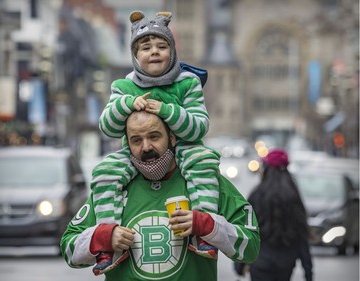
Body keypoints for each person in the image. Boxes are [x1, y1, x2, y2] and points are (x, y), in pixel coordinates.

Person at [91, 10, 221, 274]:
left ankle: (204, 231)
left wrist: (166, 111)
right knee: (104, 172)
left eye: (162, 46)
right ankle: (107, 241)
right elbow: (108, 126)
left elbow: (198, 128)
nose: (154, 52)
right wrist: (127, 105)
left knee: (203, 163)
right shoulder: (123, 87)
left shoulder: (188, 83)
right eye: (146, 47)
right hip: (133, 153)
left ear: (172, 51)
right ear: (135, 56)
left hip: (183, 148)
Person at [61, 110, 260, 281]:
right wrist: (103, 237)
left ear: (172, 137)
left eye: (154, 136)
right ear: (127, 144)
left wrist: (207, 226)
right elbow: (69, 251)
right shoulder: (112, 188)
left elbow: (250, 247)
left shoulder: (205, 182)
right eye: (136, 140)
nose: (146, 147)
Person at [234, 149, 313, 281]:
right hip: (286, 264)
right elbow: (302, 235)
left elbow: (247, 231)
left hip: (259, 263)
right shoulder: (293, 196)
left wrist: (240, 265)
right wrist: (308, 271)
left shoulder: (257, 194)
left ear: (266, 169)